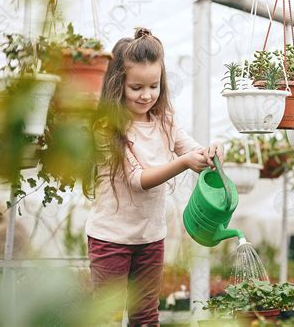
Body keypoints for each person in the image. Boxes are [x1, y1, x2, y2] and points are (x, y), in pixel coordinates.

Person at [85, 27, 223, 326]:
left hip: (150, 237)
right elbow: (139, 179)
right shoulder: (109, 129)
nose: (147, 95)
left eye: (154, 86)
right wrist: (185, 163)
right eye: (136, 87)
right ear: (118, 84)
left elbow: (191, 148)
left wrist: (209, 153)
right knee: (106, 317)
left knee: (146, 317)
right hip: (110, 238)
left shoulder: (165, 121)